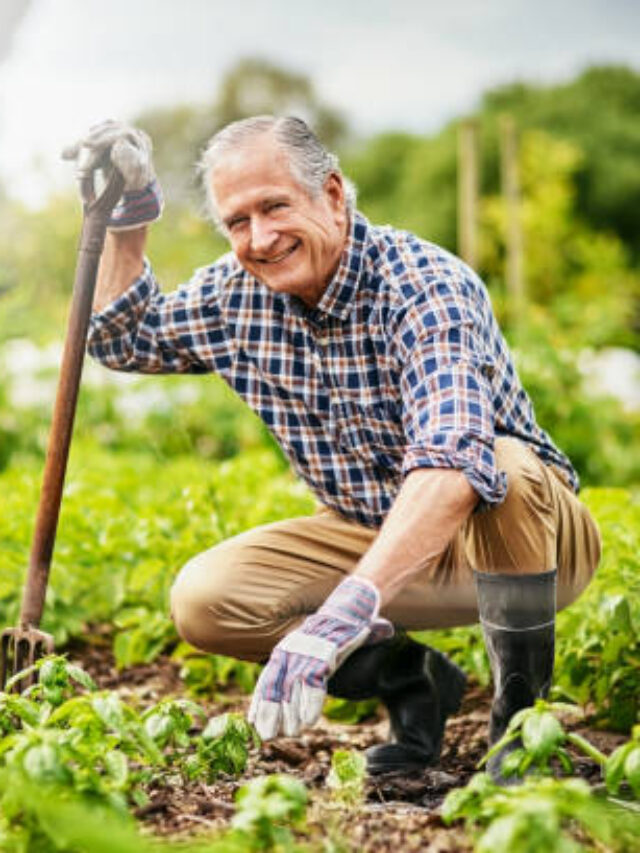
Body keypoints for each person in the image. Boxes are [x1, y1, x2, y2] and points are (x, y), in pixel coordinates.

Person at [65, 116, 601, 781]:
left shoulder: (425, 284)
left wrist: (345, 611)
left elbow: (454, 461)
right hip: (371, 532)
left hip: (524, 540)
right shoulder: (237, 296)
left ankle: (521, 730)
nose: (259, 238)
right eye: (237, 221)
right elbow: (124, 338)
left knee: (505, 469)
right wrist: (130, 212)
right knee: (206, 598)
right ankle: (417, 681)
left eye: (275, 206)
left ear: (334, 194)